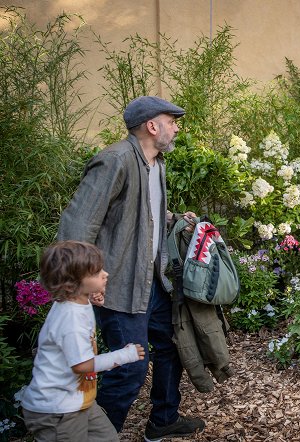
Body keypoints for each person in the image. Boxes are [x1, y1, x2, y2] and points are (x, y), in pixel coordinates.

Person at [57, 96, 203, 440]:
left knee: (171, 345)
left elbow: (142, 212)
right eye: (172, 120)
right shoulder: (115, 161)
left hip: (151, 281)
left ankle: (163, 419)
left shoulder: (156, 164)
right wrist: (85, 282)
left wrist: (176, 219)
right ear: (152, 126)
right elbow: (77, 228)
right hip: (119, 285)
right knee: (129, 370)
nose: (177, 126)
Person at [21, 241, 145, 442]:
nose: (105, 274)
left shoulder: (76, 299)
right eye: (96, 273)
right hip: (57, 410)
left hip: (78, 401)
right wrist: (124, 355)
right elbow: (82, 365)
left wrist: (91, 298)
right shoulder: (70, 319)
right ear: (73, 283)